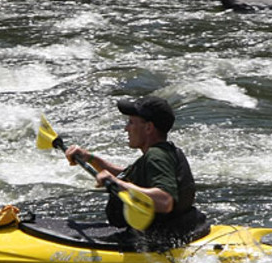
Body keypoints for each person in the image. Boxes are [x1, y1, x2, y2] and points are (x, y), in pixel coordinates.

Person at [65, 96, 207, 247]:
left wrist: (117, 183)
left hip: (160, 241)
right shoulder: (164, 151)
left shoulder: (156, 156)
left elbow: (165, 201)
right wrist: (90, 158)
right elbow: (129, 176)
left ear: (148, 128)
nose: (126, 128)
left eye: (131, 122)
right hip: (182, 231)